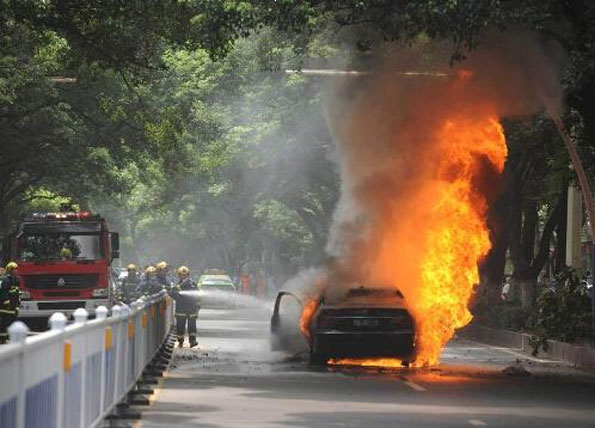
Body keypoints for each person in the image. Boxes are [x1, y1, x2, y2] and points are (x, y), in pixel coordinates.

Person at [170, 266, 199, 347]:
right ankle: (180, 341)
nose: (184, 277)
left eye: (185, 275)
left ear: (188, 275)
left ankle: (192, 341)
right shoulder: (177, 285)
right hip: (181, 309)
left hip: (191, 309)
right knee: (180, 326)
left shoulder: (192, 284)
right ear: (179, 275)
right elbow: (172, 294)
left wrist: (197, 307)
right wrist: (177, 295)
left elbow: (198, 296)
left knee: (192, 326)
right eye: (182, 275)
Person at [0, 262, 20, 343]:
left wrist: (18, 302)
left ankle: (8, 338)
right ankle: (2, 339)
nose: (16, 271)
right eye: (14, 269)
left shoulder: (14, 280)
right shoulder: (5, 280)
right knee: (4, 323)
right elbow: (3, 292)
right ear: (10, 270)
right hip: (5, 308)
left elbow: (16, 292)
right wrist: (6, 302)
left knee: (12, 323)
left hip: (13, 307)